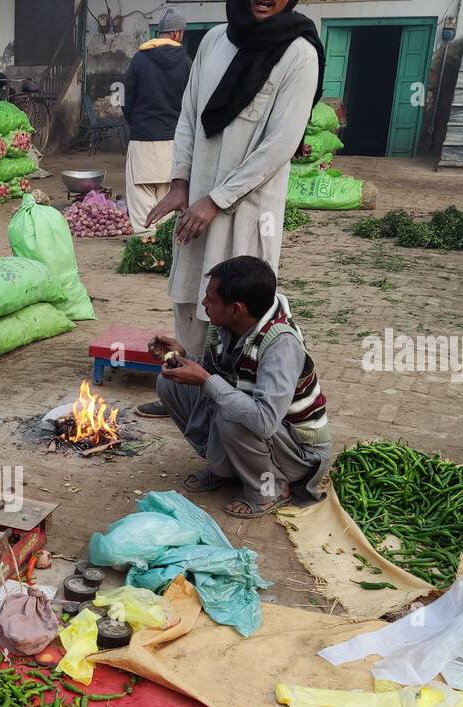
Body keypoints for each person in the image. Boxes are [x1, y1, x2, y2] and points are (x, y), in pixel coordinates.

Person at [136, 0, 321, 420]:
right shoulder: (216, 40)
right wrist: (181, 183)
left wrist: (217, 199)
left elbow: (279, 145)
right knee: (190, 297)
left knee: (237, 306)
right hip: (197, 198)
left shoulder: (299, 53)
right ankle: (183, 386)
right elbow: (189, 116)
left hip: (249, 208)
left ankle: (231, 397)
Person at [153, 255, 330, 518]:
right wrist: (184, 358)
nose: (204, 303)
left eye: (211, 299)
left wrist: (205, 379)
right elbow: (222, 375)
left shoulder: (281, 344)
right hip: (264, 432)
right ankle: (225, 468)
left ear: (237, 309)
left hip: (299, 453)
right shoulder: (226, 327)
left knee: (233, 415)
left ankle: (271, 488)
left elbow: (264, 421)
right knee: (170, 383)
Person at [122, 8, 192, 233]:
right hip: (174, 142)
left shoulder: (139, 60)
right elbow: (193, 105)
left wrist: (139, 125)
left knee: (141, 196)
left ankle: (144, 244)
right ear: (177, 34)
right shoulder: (187, 63)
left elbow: (127, 102)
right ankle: (165, 244)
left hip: (143, 139)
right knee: (170, 196)